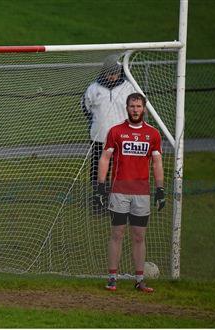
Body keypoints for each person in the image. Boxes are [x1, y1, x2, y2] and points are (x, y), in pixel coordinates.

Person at [94, 93, 165, 293]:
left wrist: (160, 189)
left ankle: (139, 280)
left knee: (139, 237)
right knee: (117, 234)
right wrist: (101, 186)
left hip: (142, 194)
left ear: (144, 108)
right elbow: (105, 158)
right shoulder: (116, 132)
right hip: (119, 192)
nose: (135, 109)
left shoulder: (153, 134)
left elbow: (157, 163)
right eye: (132, 106)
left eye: (138, 106)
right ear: (127, 108)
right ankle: (112, 278)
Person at [81, 53, 137, 212]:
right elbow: (86, 108)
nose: (113, 77)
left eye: (116, 73)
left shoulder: (129, 87)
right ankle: (99, 199)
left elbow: (135, 110)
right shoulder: (93, 88)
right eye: (110, 73)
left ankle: (121, 201)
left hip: (123, 138)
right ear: (103, 72)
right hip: (99, 138)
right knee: (98, 170)